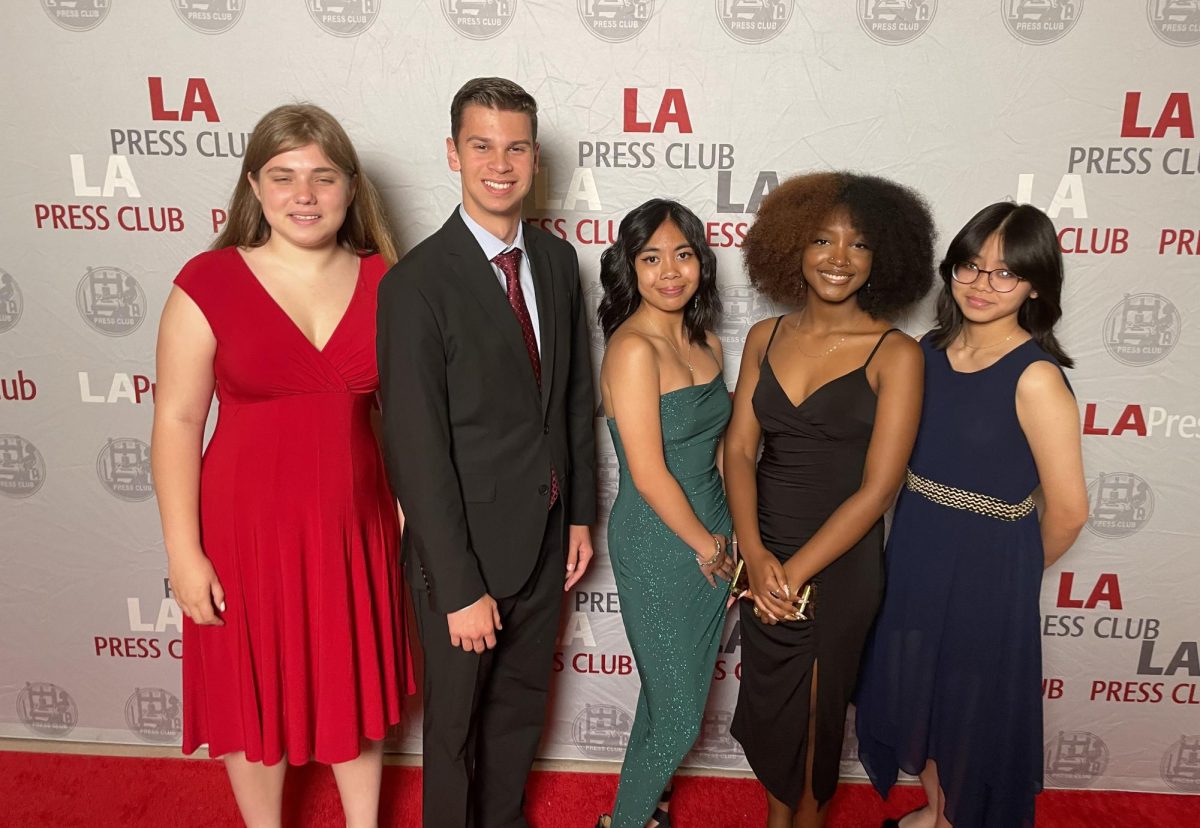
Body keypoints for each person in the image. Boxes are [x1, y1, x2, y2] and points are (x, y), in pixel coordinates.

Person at [152, 103, 412, 828]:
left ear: (351, 189)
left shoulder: (389, 281)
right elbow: (175, 422)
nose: (304, 195)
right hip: (241, 529)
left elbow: (416, 416)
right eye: (284, 176)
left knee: (352, 687)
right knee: (250, 688)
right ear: (254, 188)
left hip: (351, 525)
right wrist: (183, 551)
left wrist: (403, 508)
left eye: (323, 178)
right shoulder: (208, 280)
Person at [376, 77, 597, 828]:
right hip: (463, 558)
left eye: (515, 147)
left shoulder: (559, 263)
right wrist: (460, 585)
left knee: (516, 720)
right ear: (453, 153)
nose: (499, 163)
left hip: (544, 541)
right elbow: (415, 447)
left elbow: (570, 400)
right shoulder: (417, 285)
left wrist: (578, 516)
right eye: (481, 145)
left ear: (535, 158)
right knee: (456, 734)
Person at [854, 202, 1088, 828]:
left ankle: (960, 818)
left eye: (1005, 273)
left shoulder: (1036, 377)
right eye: (970, 266)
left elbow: (1068, 510)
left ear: (1036, 283)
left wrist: (1009, 575)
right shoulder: (923, 352)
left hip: (990, 568)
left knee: (969, 708)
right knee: (916, 693)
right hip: (915, 548)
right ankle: (937, 810)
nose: (983, 284)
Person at [724, 172, 935, 828]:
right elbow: (736, 451)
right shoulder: (765, 338)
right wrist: (757, 559)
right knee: (770, 724)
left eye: (859, 244)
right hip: (764, 558)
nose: (839, 257)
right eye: (821, 238)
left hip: (838, 567)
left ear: (884, 259)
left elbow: (879, 489)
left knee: (814, 734)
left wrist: (793, 571)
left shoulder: (895, 354)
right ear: (792, 247)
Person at [593, 199, 735, 828]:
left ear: (700, 262)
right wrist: (707, 547)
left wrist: (733, 538)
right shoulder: (632, 350)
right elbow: (648, 474)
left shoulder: (706, 340)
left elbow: (722, 450)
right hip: (660, 544)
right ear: (631, 267)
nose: (669, 271)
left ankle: (636, 816)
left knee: (663, 703)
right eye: (651, 257)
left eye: (682, 254)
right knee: (678, 719)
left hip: (714, 532)